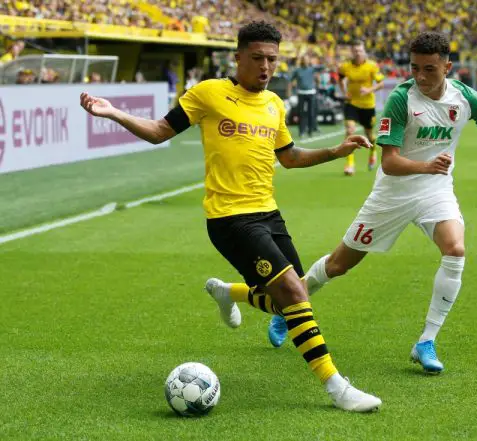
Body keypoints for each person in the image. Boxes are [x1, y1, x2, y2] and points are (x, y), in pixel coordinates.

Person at [79, 21, 381, 413]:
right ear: (237, 57)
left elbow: (289, 158)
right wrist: (113, 112)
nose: (265, 66)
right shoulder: (209, 93)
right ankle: (337, 387)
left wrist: (335, 152)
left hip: (268, 213)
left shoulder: (274, 104)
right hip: (229, 218)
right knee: (293, 292)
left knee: (292, 300)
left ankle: (228, 292)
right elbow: (158, 131)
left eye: (272, 59)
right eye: (257, 58)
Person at [265, 31, 477, 372]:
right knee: (339, 265)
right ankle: (288, 308)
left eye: (429, 69)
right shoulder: (401, 99)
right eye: (414, 68)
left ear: (447, 67)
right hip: (392, 193)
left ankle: (426, 341)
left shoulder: (466, 99)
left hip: (435, 191)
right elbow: (389, 163)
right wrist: (427, 166)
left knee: (455, 249)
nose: (420, 76)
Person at [338, 40, 385, 176]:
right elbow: (340, 78)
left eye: (360, 50)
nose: (358, 53)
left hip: (367, 105)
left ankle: (373, 150)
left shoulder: (372, 66)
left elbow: (381, 83)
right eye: (355, 51)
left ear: (364, 51)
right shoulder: (345, 66)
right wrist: (344, 92)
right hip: (352, 103)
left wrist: (369, 89)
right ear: (352, 52)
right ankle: (350, 164)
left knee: (370, 135)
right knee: (350, 130)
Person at [288, 53, 322, 139]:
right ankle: (301, 131)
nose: (305, 61)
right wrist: (289, 93)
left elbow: (322, 68)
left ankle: (310, 131)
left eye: (307, 59)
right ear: (302, 61)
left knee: (311, 112)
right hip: (301, 93)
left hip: (311, 93)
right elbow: (290, 81)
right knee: (301, 113)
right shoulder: (297, 70)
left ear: (309, 60)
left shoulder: (312, 69)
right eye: (304, 59)